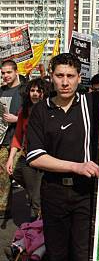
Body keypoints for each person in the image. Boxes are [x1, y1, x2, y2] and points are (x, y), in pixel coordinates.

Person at [26, 53, 99, 261]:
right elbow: (35, 156)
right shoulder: (42, 110)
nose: (65, 81)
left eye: (71, 75)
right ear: (51, 77)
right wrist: (74, 166)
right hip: (54, 193)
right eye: (60, 76)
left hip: (85, 196)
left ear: (80, 76)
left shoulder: (92, 107)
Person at [6, 78, 49, 219]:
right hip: (26, 157)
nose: (35, 94)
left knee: (36, 197)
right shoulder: (24, 110)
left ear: (44, 93)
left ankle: (41, 225)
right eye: (32, 90)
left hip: (44, 159)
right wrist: (11, 158)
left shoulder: (50, 110)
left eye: (39, 91)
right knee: (17, 174)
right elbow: (18, 136)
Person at [0, 59, 22, 217]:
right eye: (3, 73)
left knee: (18, 173)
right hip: (3, 140)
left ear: (16, 72)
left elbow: (34, 112)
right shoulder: (1, 91)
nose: (6, 76)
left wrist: (17, 119)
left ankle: (37, 209)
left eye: (9, 72)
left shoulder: (25, 90)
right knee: (3, 176)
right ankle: (4, 209)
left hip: (20, 140)